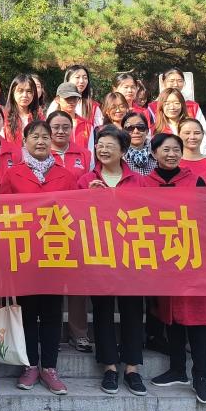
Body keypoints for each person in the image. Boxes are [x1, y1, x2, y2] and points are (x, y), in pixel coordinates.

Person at [145, 132, 206, 405]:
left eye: (176, 150)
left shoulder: (196, 181)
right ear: (154, 153)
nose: (171, 154)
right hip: (161, 260)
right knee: (171, 316)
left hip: (193, 260)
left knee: (197, 318)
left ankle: (200, 377)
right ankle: (177, 369)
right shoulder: (145, 184)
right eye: (165, 150)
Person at [0, 119, 77, 394]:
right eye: (35, 137)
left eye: (46, 136)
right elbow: (1, 212)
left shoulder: (66, 176)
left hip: (56, 253)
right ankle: (30, 365)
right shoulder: (13, 174)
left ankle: (50, 368)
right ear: (25, 142)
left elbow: (75, 212)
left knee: (53, 312)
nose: (41, 141)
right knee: (28, 312)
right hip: (24, 253)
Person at [78, 125, 147, 396]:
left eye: (110, 146)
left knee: (132, 310)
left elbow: (149, 214)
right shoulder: (86, 180)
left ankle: (132, 367)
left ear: (123, 150)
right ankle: (109, 366)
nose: (103, 150)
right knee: (103, 310)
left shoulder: (138, 181)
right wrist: (89, 198)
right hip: (99, 255)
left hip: (132, 255)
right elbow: (75, 216)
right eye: (100, 145)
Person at [149, 68, 206, 149]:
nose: (176, 84)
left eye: (180, 81)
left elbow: (203, 133)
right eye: (171, 81)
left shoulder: (193, 106)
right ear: (163, 82)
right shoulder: (152, 107)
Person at [47, 111, 90, 182]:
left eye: (65, 127)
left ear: (71, 129)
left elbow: (89, 182)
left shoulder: (85, 154)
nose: (61, 131)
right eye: (56, 127)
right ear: (47, 129)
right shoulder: (40, 154)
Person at [51, 83, 94, 150]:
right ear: (57, 99)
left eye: (74, 98)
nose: (71, 102)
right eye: (67, 98)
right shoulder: (49, 124)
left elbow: (90, 151)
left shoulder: (87, 125)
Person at [3, 74, 41, 145]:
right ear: (13, 93)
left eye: (29, 91)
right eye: (20, 91)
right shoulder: (4, 117)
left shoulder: (40, 116)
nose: (24, 95)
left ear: (34, 94)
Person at [122, 111, 157, 176]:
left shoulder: (157, 155)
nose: (136, 131)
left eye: (140, 127)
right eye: (130, 128)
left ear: (147, 131)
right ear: (123, 132)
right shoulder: (118, 157)